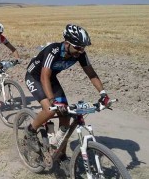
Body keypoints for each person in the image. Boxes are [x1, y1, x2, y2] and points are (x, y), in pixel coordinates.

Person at [24, 24, 111, 175]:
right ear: (67, 43)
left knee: (66, 115)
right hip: (36, 77)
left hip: (50, 79)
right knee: (50, 110)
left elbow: (91, 73)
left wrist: (103, 94)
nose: (81, 51)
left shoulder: (80, 54)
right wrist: (52, 101)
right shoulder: (54, 50)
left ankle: (61, 155)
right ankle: (31, 131)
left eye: (83, 47)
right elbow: (44, 76)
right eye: (78, 47)